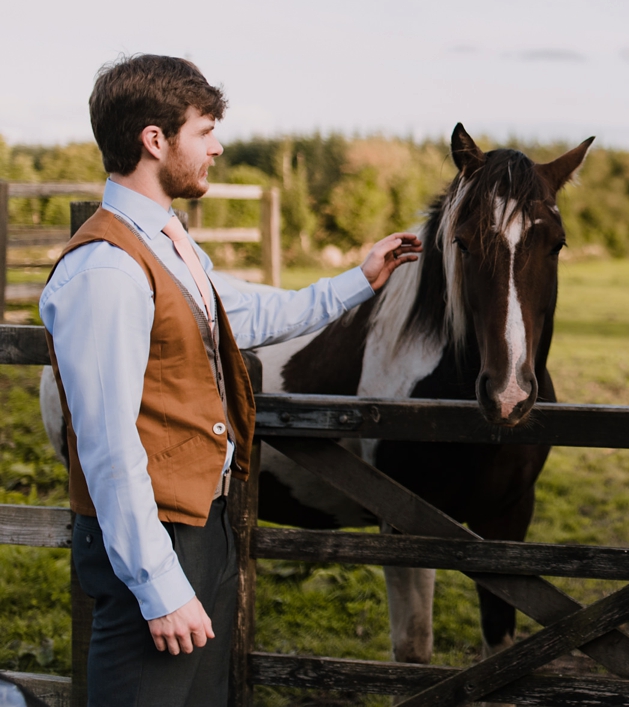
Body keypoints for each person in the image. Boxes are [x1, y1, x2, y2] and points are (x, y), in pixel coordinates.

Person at [41, 54, 422, 707]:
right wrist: (159, 585)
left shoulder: (167, 242)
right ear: (154, 140)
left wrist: (359, 281)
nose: (217, 146)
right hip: (153, 539)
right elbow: (109, 449)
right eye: (205, 130)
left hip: (203, 525)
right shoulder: (105, 269)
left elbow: (246, 311)